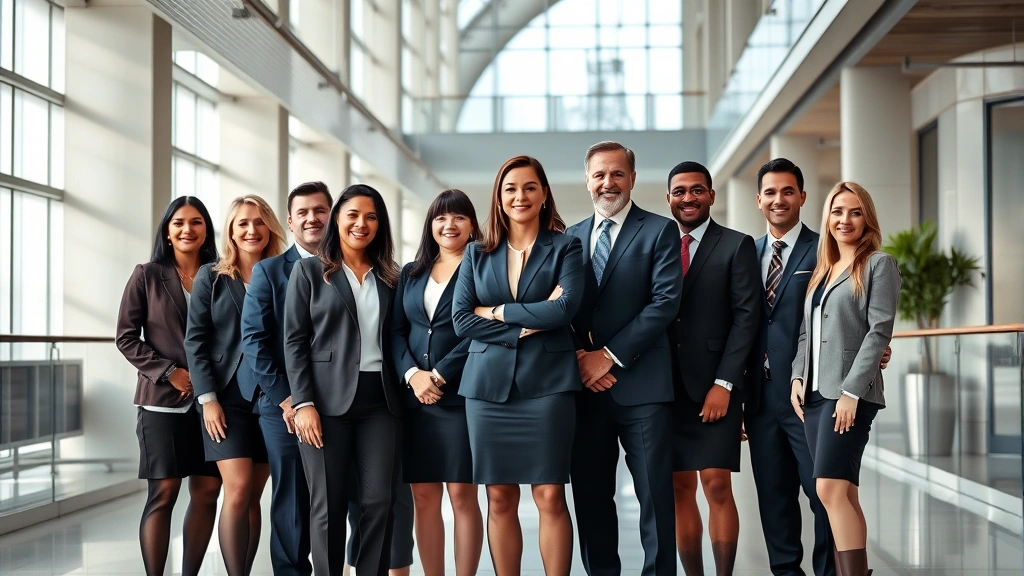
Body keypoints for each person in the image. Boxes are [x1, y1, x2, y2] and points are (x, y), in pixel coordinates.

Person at [452, 155, 584, 576]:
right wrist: (528, 320)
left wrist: (496, 312)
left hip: (548, 386)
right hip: (487, 390)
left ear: (544, 194)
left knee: (550, 495)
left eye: (529, 187)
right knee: (499, 497)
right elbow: (461, 320)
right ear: (499, 197)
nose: (520, 196)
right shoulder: (476, 253)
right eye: (510, 188)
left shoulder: (566, 246)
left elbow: (563, 310)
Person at [566, 141, 682, 576]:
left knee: (655, 497)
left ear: (632, 179)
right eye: (599, 174)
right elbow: (559, 307)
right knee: (591, 497)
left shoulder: (659, 230)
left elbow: (664, 302)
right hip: (584, 390)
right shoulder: (569, 238)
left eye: (617, 173)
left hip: (644, 387)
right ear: (587, 181)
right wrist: (581, 357)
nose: (608, 182)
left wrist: (608, 357)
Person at [285, 184, 404, 576]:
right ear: (337, 218)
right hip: (323, 402)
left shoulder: (391, 276)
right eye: (353, 214)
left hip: (380, 403)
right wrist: (303, 403)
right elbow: (294, 341)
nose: (361, 224)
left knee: (379, 501)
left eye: (371, 217)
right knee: (328, 506)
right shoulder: (309, 271)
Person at [790, 182, 900, 576]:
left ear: (867, 218)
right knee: (844, 492)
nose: (845, 220)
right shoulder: (824, 269)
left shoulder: (879, 264)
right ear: (828, 218)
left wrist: (851, 392)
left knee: (829, 489)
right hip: (815, 395)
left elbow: (879, 331)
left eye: (855, 212)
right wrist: (797, 376)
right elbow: (807, 333)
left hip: (849, 395)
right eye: (837, 212)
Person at [116, 196, 222, 576]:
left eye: (196, 222)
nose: (187, 229)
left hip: (213, 403)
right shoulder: (147, 274)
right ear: (167, 231)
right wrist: (168, 371)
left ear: (206, 229)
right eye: (179, 222)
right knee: (163, 493)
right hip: (162, 404)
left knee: (207, 492)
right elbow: (126, 337)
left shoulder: (221, 276)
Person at [665, 161, 761, 576]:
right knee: (678, 487)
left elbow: (747, 319)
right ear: (669, 197)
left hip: (716, 384)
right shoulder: (657, 243)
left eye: (697, 190)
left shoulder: (736, 245)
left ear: (711, 196)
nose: (688, 198)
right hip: (665, 387)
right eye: (680, 191)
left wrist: (725, 383)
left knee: (717, 483)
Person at [185, 195, 287, 575]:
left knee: (254, 495)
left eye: (259, 222)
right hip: (225, 399)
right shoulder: (211, 276)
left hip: (271, 398)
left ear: (271, 227)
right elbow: (195, 341)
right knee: (238, 488)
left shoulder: (285, 274)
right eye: (242, 223)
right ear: (230, 230)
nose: (251, 230)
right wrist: (207, 399)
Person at [391, 189, 484, 576]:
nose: (449, 225)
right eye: (441, 218)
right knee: (424, 496)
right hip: (415, 400)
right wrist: (413, 375)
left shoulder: (483, 267)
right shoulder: (411, 272)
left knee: (462, 494)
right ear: (430, 225)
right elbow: (395, 332)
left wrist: (441, 374)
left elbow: (480, 330)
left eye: (459, 217)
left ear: (472, 225)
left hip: (459, 397)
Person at [240, 182, 332, 576]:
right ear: (291, 223)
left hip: (342, 401)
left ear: (332, 216)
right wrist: (287, 399)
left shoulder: (349, 267)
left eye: (320, 210)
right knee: (293, 498)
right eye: (303, 213)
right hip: (285, 406)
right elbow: (254, 339)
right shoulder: (270, 270)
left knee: (340, 497)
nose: (312, 219)